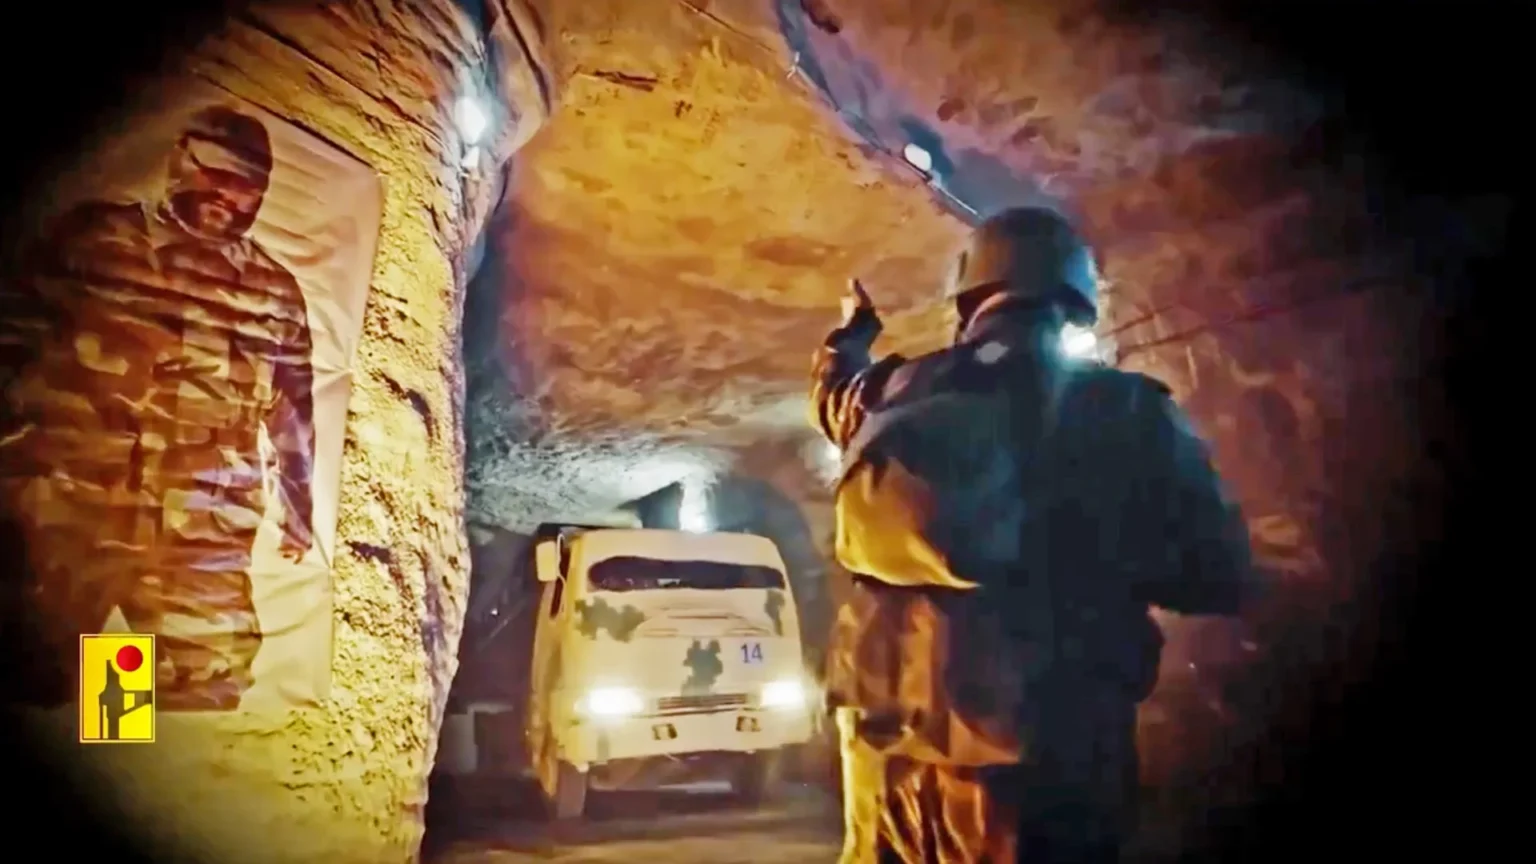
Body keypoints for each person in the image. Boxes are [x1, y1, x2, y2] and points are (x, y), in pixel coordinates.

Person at [811, 206, 1257, 862]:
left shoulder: (892, 391)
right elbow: (1219, 574)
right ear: (1074, 300)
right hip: (1033, 771)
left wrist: (850, 338)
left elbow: (834, 400)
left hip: (882, 762)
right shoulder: (1125, 411)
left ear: (969, 296)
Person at [0, 105, 315, 711]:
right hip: (73, 507)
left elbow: (293, 408)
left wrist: (297, 508)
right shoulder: (95, 238)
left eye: (247, 186)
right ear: (179, 160)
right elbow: (14, 333)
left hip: (193, 527)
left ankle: (116, 736)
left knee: (194, 688)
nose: (227, 195)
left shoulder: (275, 293)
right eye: (214, 172)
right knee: (35, 676)